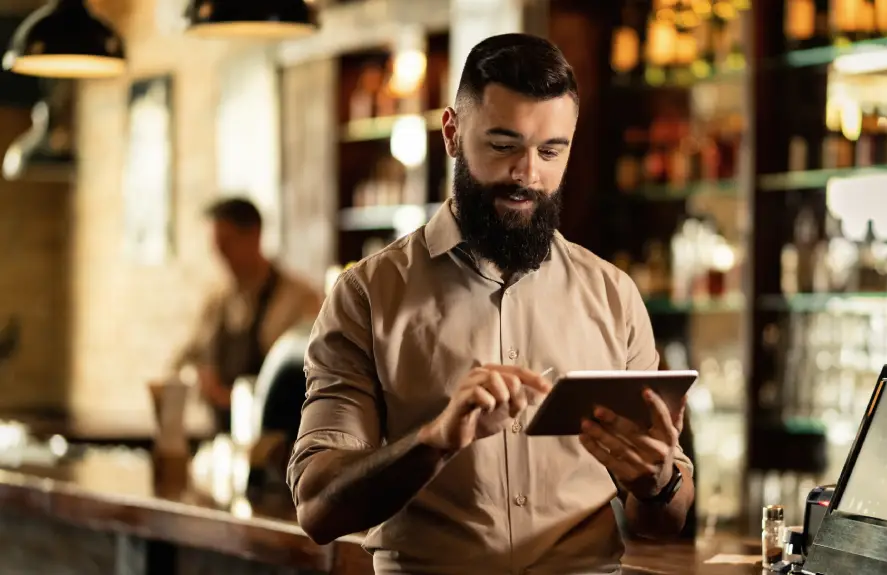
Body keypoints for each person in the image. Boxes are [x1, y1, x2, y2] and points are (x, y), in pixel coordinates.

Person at [288, 34, 695, 574]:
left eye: (552, 151)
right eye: (504, 145)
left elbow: (665, 518)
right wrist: (434, 441)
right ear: (452, 133)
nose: (528, 174)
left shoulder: (613, 295)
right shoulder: (366, 295)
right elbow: (316, 508)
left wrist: (657, 479)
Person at [170, 197, 323, 432]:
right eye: (217, 246)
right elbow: (183, 361)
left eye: (227, 243)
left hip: (277, 441)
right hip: (222, 439)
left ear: (255, 235)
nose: (221, 255)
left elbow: (310, 376)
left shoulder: (300, 298)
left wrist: (241, 398)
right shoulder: (216, 300)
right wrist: (199, 377)